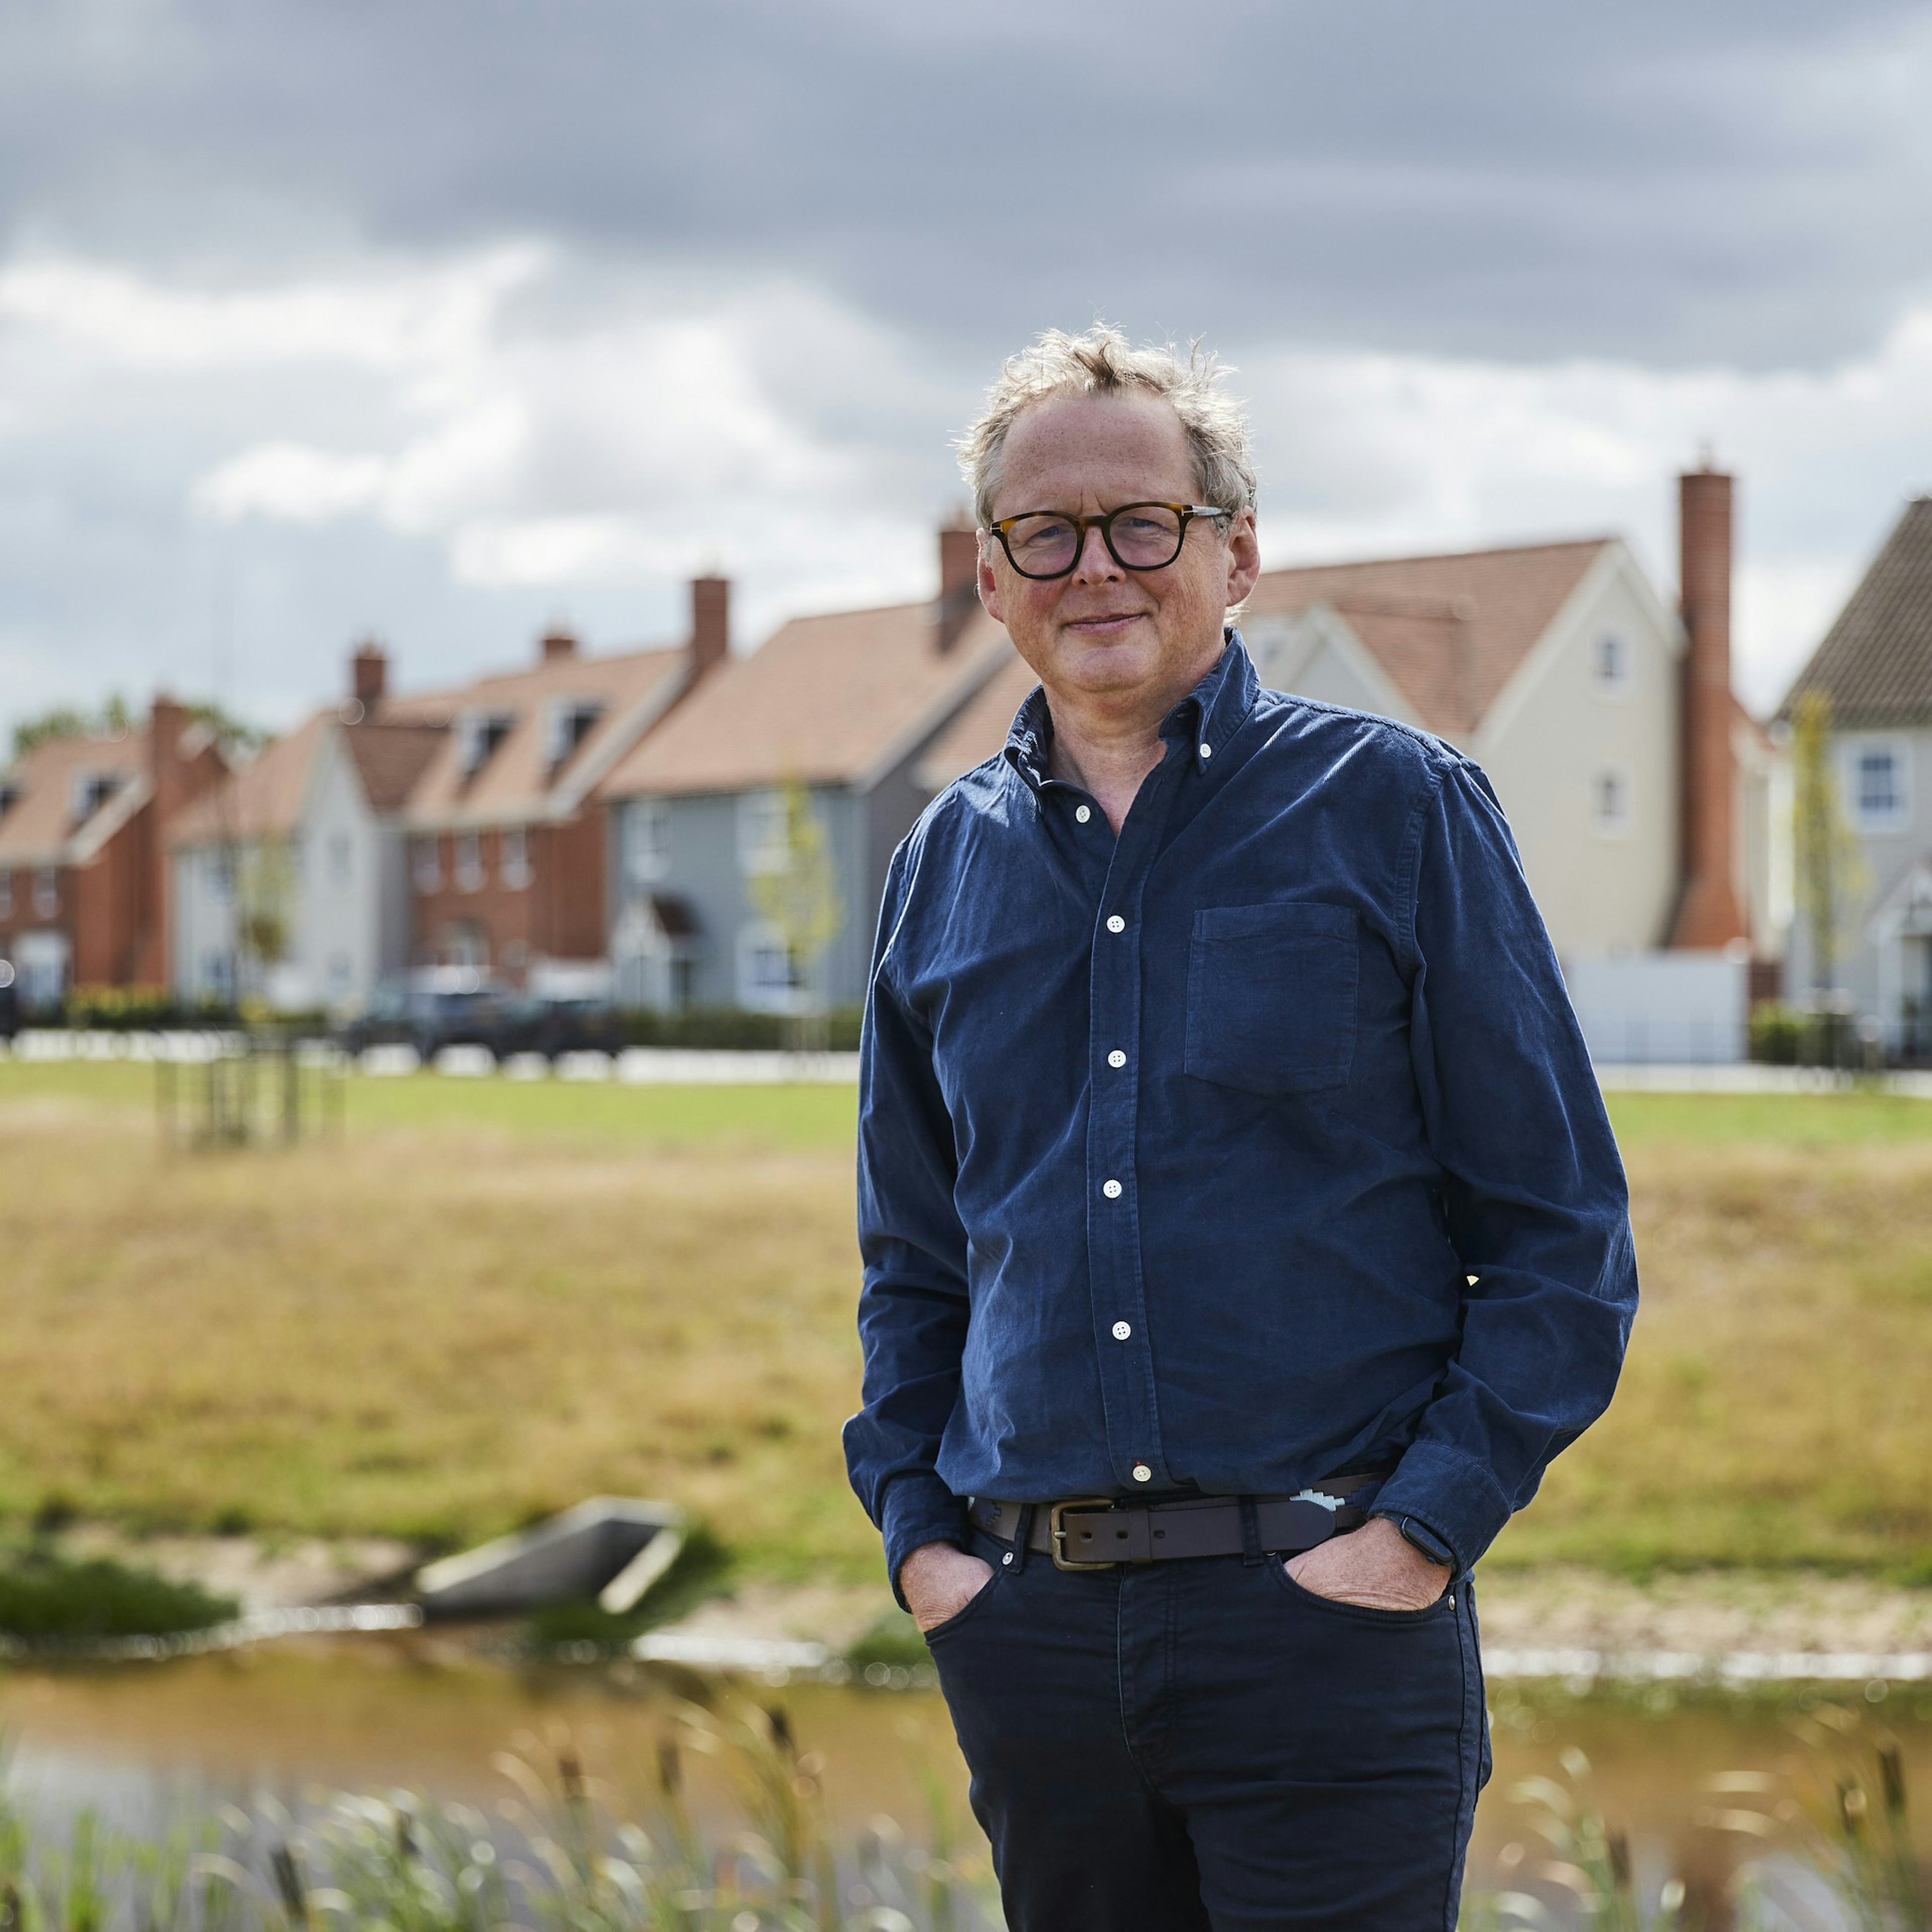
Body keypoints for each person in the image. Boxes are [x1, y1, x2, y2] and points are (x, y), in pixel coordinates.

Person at [843, 325, 1637, 1931]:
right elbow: (917, 1263)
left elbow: (1560, 1239)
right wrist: (926, 1545)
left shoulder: (1400, 811)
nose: (1097, 567)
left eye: (1144, 523)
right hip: (1034, 1640)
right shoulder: (943, 865)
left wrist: (1419, 1535)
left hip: (1327, 1627)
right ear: (992, 582)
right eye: (1043, 534)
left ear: (1238, 553)